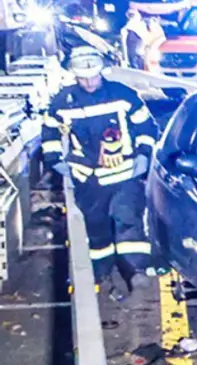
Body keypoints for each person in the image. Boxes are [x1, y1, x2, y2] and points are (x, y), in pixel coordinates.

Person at [42, 46, 158, 293]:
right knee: (96, 229)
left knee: (129, 221)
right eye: (82, 78)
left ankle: (136, 270)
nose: (89, 82)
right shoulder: (63, 102)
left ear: (101, 71)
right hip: (87, 180)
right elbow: (50, 132)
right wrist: (55, 159)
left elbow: (147, 128)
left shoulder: (123, 95)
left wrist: (144, 155)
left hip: (124, 174)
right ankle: (102, 273)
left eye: (93, 76)